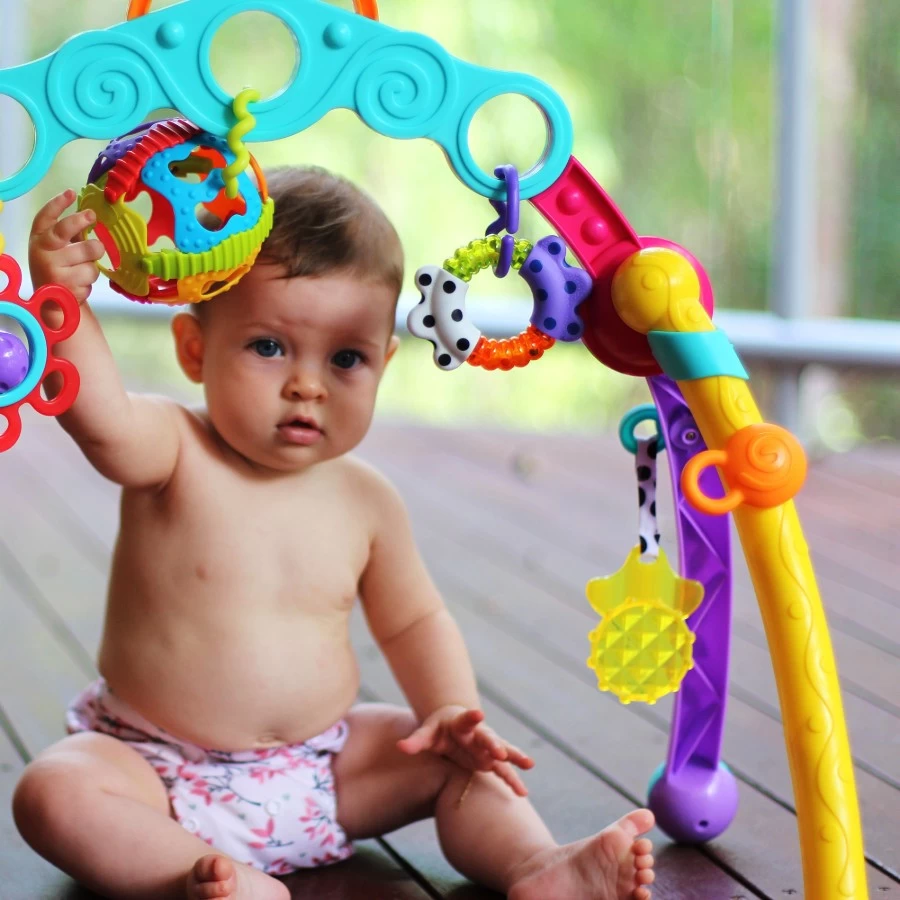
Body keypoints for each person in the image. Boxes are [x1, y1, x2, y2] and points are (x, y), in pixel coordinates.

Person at [13, 165, 656, 900]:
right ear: (194, 349)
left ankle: (537, 866)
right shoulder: (173, 448)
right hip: (154, 768)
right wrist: (62, 299)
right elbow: (101, 423)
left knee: (461, 763)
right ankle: (195, 875)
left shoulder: (366, 500)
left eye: (346, 359)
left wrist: (450, 711)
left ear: (383, 364)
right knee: (53, 791)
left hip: (323, 770)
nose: (307, 385)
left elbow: (415, 621)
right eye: (268, 347)